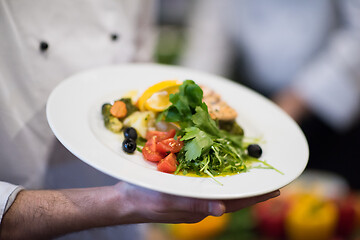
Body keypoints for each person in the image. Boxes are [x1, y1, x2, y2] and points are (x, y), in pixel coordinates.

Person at [0, 1, 279, 239]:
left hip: (128, 223)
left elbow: (140, 65)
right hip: (29, 200)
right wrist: (124, 204)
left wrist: (139, 214)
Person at [180, 0, 360, 189]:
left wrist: (298, 98)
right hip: (257, 96)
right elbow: (209, 41)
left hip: (327, 103)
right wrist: (195, 99)